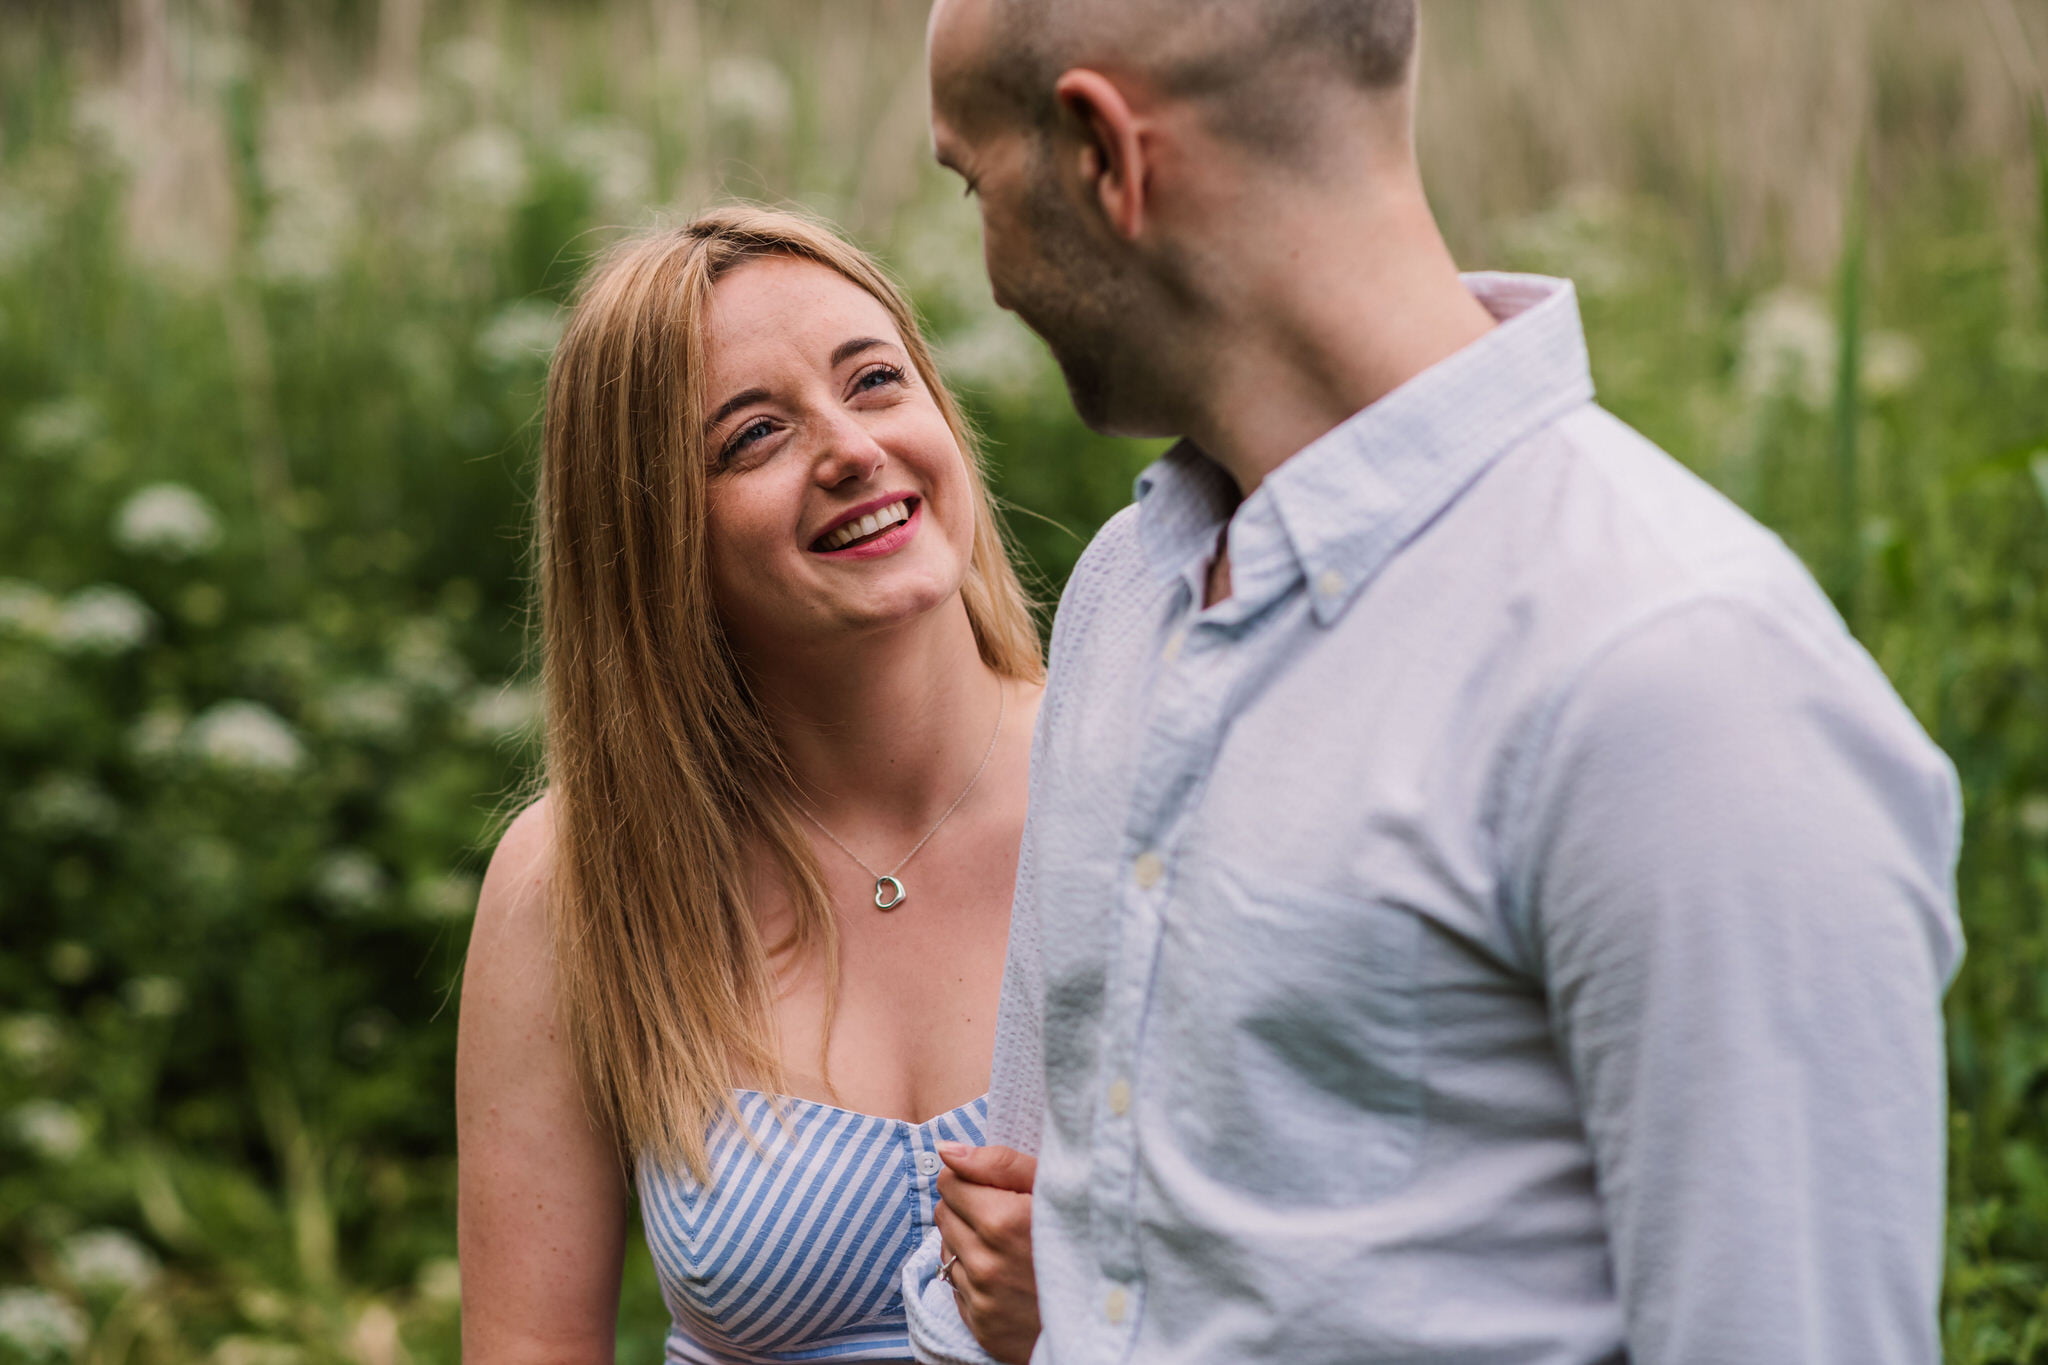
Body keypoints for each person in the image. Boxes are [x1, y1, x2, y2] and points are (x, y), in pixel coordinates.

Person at [909, 1, 1965, 1363]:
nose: (987, 265)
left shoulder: (1676, 674)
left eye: (973, 181)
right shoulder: (1128, 594)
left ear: (1107, 160)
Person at [456, 205, 1047, 1365]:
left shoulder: (1138, 778)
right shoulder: (578, 881)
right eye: (753, 437)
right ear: (650, 534)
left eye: (874, 380)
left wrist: (1102, 1312)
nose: (848, 449)